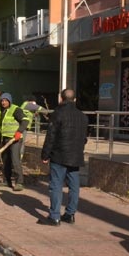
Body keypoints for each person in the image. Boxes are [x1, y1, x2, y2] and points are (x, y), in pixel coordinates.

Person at [41, 89, 89, 226]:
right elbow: (84, 138)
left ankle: (54, 216)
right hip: (75, 156)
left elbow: (51, 136)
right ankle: (70, 214)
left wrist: (45, 154)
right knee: (74, 186)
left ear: (61, 99)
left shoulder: (58, 114)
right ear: (74, 100)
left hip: (59, 155)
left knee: (56, 185)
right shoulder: (82, 116)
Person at [0, 92, 29, 191]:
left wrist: (19, 132)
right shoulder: (2, 111)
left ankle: (19, 182)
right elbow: (2, 126)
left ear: (10, 101)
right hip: (5, 139)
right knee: (6, 161)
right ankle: (7, 181)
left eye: (6, 100)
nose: (3, 102)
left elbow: (25, 120)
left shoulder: (15, 109)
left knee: (15, 160)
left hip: (15, 139)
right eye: (2, 100)